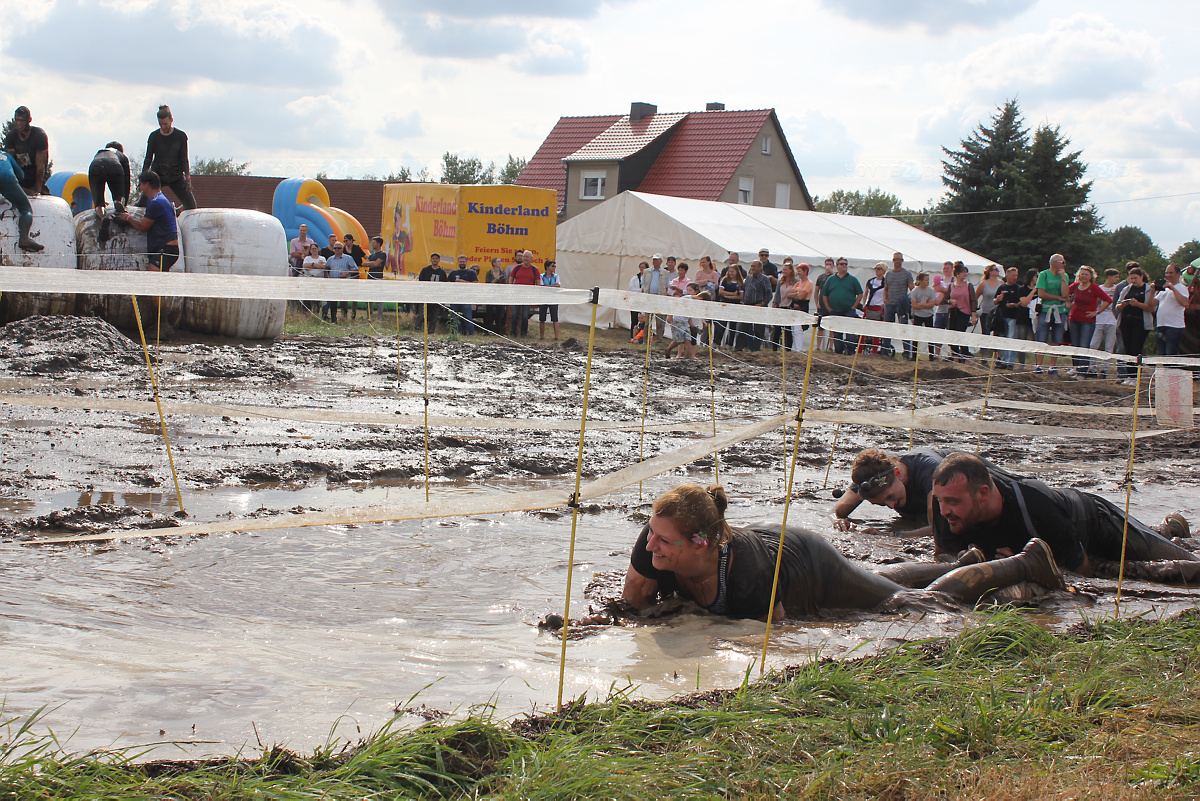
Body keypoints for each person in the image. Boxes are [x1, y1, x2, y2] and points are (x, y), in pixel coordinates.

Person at [622, 484, 1065, 622]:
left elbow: (771, 636)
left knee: (900, 603)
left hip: (809, 562)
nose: (650, 544)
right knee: (878, 578)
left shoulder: (748, 576)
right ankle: (960, 564)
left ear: (701, 542)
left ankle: (1028, 562)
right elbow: (634, 601)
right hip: (778, 548)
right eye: (651, 533)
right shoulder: (653, 542)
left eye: (663, 540)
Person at [930, 453, 1197, 583]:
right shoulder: (944, 502)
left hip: (1093, 521)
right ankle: (1168, 526)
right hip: (1059, 536)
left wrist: (1017, 565)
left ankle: (1171, 530)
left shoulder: (1034, 507)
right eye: (941, 501)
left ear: (983, 493)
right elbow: (943, 555)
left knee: (1183, 561)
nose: (944, 511)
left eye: (953, 502)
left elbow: (1081, 572)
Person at [116, 171, 179, 273]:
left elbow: (143, 227)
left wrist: (127, 218)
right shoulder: (155, 199)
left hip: (166, 249)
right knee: (158, 280)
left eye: (140, 184)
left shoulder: (156, 202)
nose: (140, 188)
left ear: (147, 184)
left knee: (152, 278)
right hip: (163, 248)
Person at [138, 105, 196, 210]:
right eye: (160, 124)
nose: (163, 127)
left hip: (176, 175)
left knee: (191, 205)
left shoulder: (180, 136)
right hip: (157, 175)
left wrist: (187, 178)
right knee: (142, 203)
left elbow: (184, 158)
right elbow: (148, 159)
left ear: (171, 120)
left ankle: (174, 212)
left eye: (165, 124)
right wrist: (143, 178)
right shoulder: (154, 136)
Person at [1066, 266, 1111, 377]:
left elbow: (1108, 300)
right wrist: (1068, 303)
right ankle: (1076, 369)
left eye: (1086, 274)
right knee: (1075, 346)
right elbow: (1065, 292)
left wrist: (1097, 312)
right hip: (1074, 319)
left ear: (1091, 276)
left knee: (1084, 345)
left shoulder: (1094, 287)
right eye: (1082, 274)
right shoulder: (1076, 286)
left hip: (1087, 321)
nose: (1084, 276)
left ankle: (1082, 372)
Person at [1115, 266, 1155, 384]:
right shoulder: (1127, 289)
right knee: (1127, 349)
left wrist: (1137, 304)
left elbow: (1151, 307)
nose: (1133, 281)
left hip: (1140, 322)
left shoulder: (1148, 290)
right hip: (1126, 322)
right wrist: (1123, 305)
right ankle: (1129, 375)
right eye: (1131, 278)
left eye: (1135, 278)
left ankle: (1136, 376)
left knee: (1135, 348)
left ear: (1141, 277)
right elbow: (1117, 306)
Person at [1034, 254, 1070, 374]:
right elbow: (1041, 293)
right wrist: (1058, 297)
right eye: (1062, 262)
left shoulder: (1064, 276)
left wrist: (1063, 278)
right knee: (1042, 338)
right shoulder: (1044, 275)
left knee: (1057, 339)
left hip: (1060, 311)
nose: (1064, 264)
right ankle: (1039, 365)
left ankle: (1052, 367)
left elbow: (1065, 294)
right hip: (1046, 310)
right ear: (1055, 263)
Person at [820, 257, 864, 355]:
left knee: (850, 332)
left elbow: (860, 294)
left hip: (848, 310)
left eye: (846, 264)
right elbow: (825, 294)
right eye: (842, 264)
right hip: (835, 310)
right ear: (837, 266)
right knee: (837, 333)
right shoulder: (831, 279)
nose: (844, 266)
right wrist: (827, 307)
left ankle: (850, 352)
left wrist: (854, 306)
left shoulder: (852, 279)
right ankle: (839, 352)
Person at [0, 151, 42, 251]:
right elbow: (21, 175)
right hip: (7, 179)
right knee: (25, 208)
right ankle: (24, 238)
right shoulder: (5, 155)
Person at [3, 106, 48, 195]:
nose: (19, 123)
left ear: (29, 120)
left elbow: (40, 167)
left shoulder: (39, 135)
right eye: (17, 120)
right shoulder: (11, 136)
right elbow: (10, 163)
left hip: (35, 179)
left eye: (22, 120)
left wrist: (37, 191)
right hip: (20, 179)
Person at [1087, 268, 1122, 377]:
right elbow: (1096, 302)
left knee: (1109, 346)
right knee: (1093, 344)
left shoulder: (1117, 289)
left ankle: (1104, 369)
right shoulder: (1100, 288)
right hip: (1099, 319)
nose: (1117, 279)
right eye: (1116, 277)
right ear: (1109, 277)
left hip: (1112, 321)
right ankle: (1092, 367)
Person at [1151, 263, 1189, 357]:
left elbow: (1185, 303)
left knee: (1171, 356)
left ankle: (1172, 371)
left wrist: (1172, 288)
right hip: (1161, 325)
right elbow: (1151, 305)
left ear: (1178, 274)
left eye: (1171, 273)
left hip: (1174, 327)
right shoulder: (1164, 290)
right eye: (1166, 273)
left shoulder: (1182, 288)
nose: (1168, 275)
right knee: (1162, 355)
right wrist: (1152, 291)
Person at [993, 267, 1027, 368]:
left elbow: (1022, 302)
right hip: (1002, 316)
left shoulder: (1018, 288)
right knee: (1003, 339)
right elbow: (994, 301)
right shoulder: (1002, 287)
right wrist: (997, 299)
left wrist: (1015, 304)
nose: (1015, 277)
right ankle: (1004, 361)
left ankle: (1010, 362)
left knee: (1011, 338)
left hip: (1013, 317)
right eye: (1013, 275)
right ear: (1007, 276)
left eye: (1016, 275)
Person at [882, 252, 914, 358]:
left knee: (903, 328)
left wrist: (907, 300)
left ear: (902, 261)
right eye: (895, 259)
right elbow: (886, 288)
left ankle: (907, 352)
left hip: (901, 305)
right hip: (890, 304)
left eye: (899, 259)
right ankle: (885, 350)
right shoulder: (889, 274)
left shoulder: (907, 274)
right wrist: (885, 299)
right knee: (887, 327)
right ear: (893, 260)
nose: (897, 261)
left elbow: (912, 289)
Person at [737, 260, 772, 352]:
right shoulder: (748, 278)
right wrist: (743, 301)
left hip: (758, 306)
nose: (752, 268)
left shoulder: (764, 279)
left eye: (754, 266)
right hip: (748, 306)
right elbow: (745, 291)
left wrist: (762, 304)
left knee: (758, 330)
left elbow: (769, 294)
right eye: (751, 266)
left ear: (760, 268)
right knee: (742, 328)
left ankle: (756, 349)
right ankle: (739, 348)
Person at [945, 262, 977, 362]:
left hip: (964, 311)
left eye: (966, 272)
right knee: (952, 332)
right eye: (963, 272)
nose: (965, 274)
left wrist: (973, 314)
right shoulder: (951, 286)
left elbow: (973, 299)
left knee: (961, 332)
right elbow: (945, 299)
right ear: (958, 273)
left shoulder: (968, 286)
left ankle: (964, 353)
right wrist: (950, 301)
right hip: (953, 311)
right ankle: (955, 354)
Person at [88, 142, 130, 213]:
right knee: (118, 199)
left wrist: (97, 200)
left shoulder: (99, 152)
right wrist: (124, 200)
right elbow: (127, 181)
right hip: (114, 166)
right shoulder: (121, 155)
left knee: (99, 203)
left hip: (95, 166)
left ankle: (101, 214)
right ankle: (118, 203)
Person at [907, 272, 940, 360]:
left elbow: (932, 304)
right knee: (916, 335)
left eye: (928, 280)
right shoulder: (915, 291)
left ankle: (931, 356)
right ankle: (914, 355)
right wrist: (925, 304)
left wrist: (920, 304)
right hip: (918, 315)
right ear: (920, 281)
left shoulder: (931, 291)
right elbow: (914, 305)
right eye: (926, 280)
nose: (928, 282)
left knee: (930, 336)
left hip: (928, 315)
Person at [322, 240, 357, 323]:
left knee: (343, 302)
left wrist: (347, 273)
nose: (337, 249)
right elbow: (326, 269)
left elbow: (355, 268)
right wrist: (327, 278)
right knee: (333, 302)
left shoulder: (348, 258)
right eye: (335, 248)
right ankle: (333, 319)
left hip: (343, 282)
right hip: (333, 283)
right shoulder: (330, 259)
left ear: (342, 249)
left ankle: (344, 318)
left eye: (339, 248)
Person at [508, 250, 540, 336]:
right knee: (514, 315)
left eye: (527, 257)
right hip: (516, 295)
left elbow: (538, 282)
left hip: (527, 297)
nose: (525, 259)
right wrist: (511, 288)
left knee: (525, 316)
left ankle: (523, 333)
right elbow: (511, 278)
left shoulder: (535, 269)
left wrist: (535, 294)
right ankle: (513, 333)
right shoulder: (517, 267)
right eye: (524, 257)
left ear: (531, 259)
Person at [860, 262, 887, 354]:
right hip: (869, 307)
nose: (877, 270)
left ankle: (875, 351)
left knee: (876, 331)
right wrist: (864, 304)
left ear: (883, 271)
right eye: (876, 268)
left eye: (879, 269)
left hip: (879, 307)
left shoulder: (885, 282)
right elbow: (866, 293)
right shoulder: (871, 281)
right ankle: (860, 350)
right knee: (863, 330)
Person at [715, 262, 743, 348]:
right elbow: (721, 292)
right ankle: (717, 344)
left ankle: (730, 344)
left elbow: (740, 296)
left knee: (733, 326)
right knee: (722, 324)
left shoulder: (740, 282)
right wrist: (732, 294)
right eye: (730, 271)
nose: (731, 273)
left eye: (733, 271)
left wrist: (729, 295)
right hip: (725, 304)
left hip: (735, 305)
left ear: (737, 272)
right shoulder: (725, 280)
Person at [418, 252, 448, 332]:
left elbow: (444, 286)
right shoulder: (425, 270)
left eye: (436, 258)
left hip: (436, 297)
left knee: (434, 317)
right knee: (421, 315)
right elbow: (420, 283)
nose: (435, 260)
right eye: (433, 258)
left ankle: (431, 331)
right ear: (431, 260)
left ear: (439, 260)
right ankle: (417, 330)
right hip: (425, 296)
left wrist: (443, 299)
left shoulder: (442, 273)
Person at [788, 262, 814, 351]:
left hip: (802, 307)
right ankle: (796, 348)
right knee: (794, 329)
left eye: (800, 271)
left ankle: (799, 349)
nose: (798, 273)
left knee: (798, 329)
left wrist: (795, 295)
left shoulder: (809, 283)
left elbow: (802, 297)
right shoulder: (798, 283)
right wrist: (797, 294)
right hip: (795, 307)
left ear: (805, 271)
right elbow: (788, 295)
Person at [813, 257, 836, 351]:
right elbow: (816, 291)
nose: (828, 266)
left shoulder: (835, 276)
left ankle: (831, 346)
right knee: (820, 326)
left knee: (832, 327)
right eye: (827, 264)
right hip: (822, 304)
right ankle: (818, 346)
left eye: (830, 264)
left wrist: (832, 272)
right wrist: (817, 303)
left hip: (832, 304)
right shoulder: (821, 277)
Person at [301, 242, 326, 314]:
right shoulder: (307, 258)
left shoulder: (322, 258)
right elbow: (305, 266)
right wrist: (316, 265)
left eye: (315, 248)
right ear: (310, 250)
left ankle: (316, 312)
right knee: (308, 297)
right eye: (312, 249)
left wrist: (312, 265)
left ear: (318, 249)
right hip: (309, 279)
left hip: (319, 280)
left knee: (317, 297)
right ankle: (306, 313)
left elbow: (323, 267)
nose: (314, 250)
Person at [539, 259, 561, 340]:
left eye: (555, 266)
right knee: (542, 318)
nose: (554, 267)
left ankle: (556, 336)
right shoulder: (541, 276)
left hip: (553, 299)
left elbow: (558, 287)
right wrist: (553, 287)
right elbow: (541, 287)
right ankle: (542, 336)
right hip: (543, 298)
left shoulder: (556, 276)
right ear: (547, 267)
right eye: (552, 266)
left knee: (555, 318)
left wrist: (547, 286)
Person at [626, 260, 647, 335]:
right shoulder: (635, 278)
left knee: (643, 319)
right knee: (634, 319)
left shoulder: (648, 278)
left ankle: (642, 336)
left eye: (644, 267)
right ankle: (633, 335)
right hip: (635, 300)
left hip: (644, 300)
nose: (642, 269)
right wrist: (640, 290)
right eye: (641, 267)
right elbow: (631, 288)